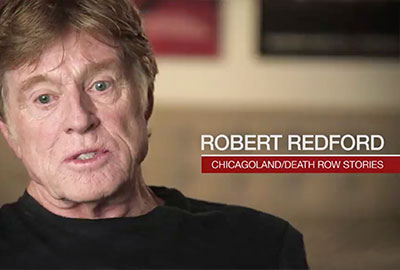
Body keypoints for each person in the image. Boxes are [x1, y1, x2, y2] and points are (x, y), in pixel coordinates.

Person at [0, 0, 308, 268]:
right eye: (44, 98)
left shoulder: (261, 248)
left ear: (146, 97)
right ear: (9, 132)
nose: (80, 120)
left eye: (101, 85)